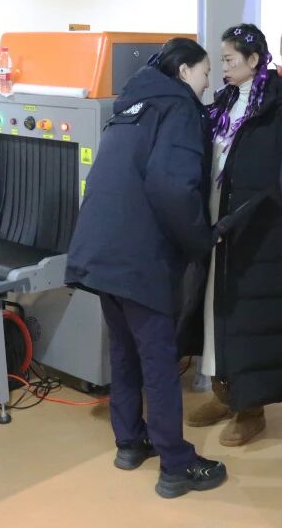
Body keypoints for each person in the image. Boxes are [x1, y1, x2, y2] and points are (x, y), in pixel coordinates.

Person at [65, 38, 227, 498]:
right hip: (139, 256)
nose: (208, 82)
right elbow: (172, 187)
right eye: (205, 72)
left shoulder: (130, 107)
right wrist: (200, 240)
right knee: (158, 359)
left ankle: (129, 442)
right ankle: (175, 464)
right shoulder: (179, 109)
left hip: (100, 247)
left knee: (123, 348)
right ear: (184, 72)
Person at [184, 24, 282, 447]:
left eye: (230, 60)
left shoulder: (276, 111)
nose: (224, 68)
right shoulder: (223, 103)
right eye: (222, 60)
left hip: (256, 233)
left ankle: (251, 408)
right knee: (215, 314)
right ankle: (223, 393)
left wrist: (240, 217)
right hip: (217, 226)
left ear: (254, 60)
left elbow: (276, 179)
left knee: (251, 319)